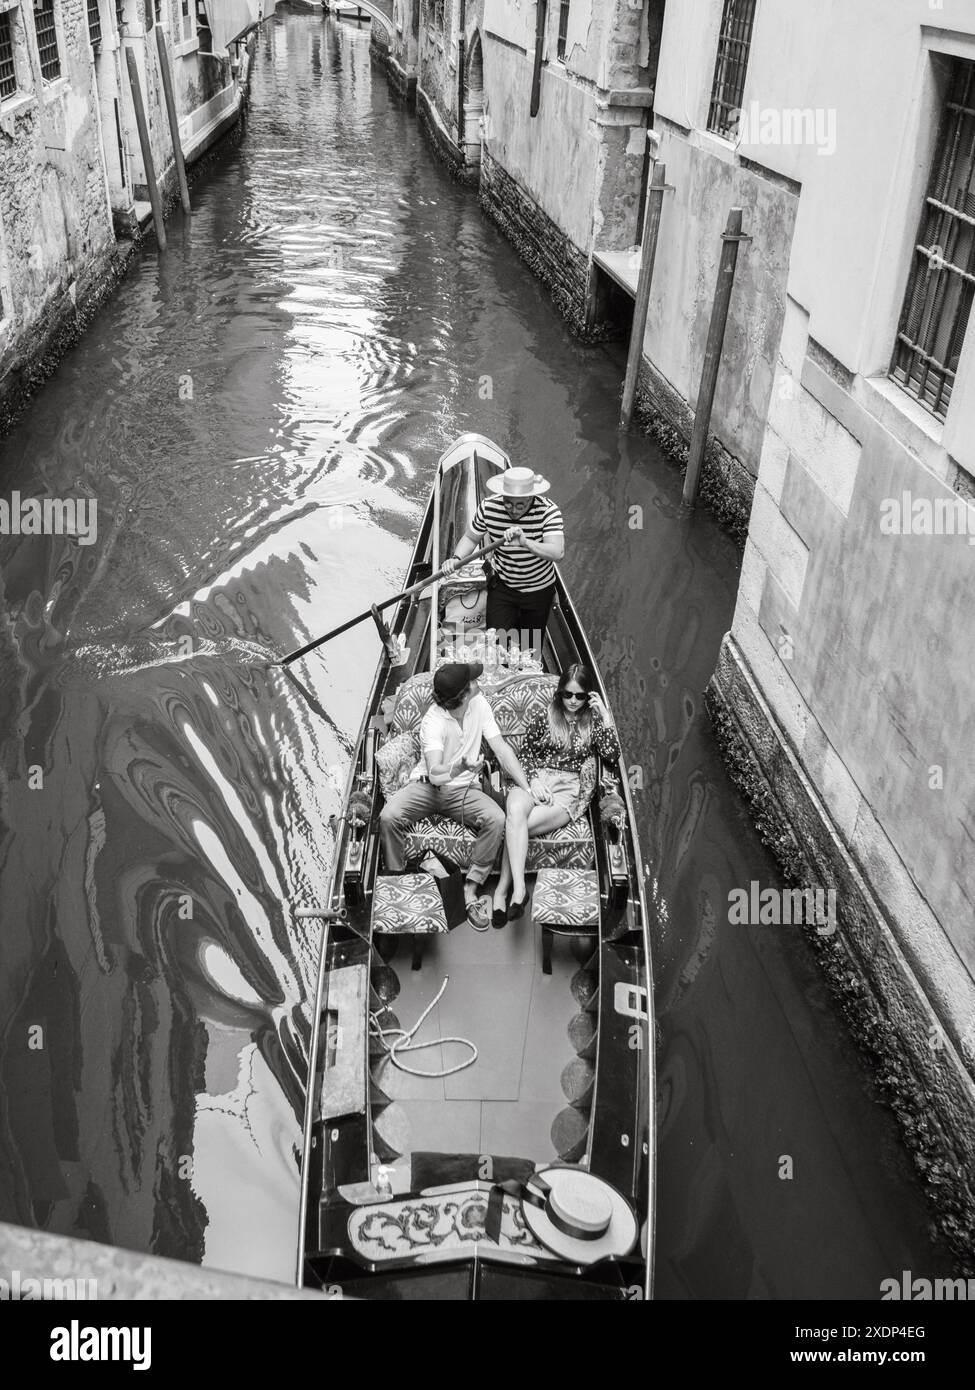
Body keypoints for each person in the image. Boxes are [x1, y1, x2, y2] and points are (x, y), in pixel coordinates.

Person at [379, 661, 534, 930]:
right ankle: (397, 882)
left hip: (465, 791)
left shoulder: (480, 704)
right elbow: (437, 774)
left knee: (497, 819)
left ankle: (470, 888)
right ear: (463, 694)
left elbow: (501, 749)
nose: (478, 682)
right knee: (388, 816)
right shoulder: (433, 721)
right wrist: (460, 766)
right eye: (473, 681)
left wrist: (528, 788)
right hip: (428, 787)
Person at [492, 664, 620, 924]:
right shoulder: (545, 715)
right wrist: (533, 780)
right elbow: (526, 753)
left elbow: (611, 755)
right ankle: (518, 889)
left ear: (588, 696)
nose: (573, 701)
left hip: (567, 790)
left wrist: (606, 717)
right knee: (514, 811)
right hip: (536, 780)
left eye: (580, 696)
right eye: (567, 694)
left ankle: (502, 890)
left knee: (516, 826)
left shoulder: (593, 722)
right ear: (560, 693)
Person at [441, 467, 564, 652]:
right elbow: (470, 538)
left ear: (531, 498)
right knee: (497, 644)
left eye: (520, 505)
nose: (513, 510)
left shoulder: (548, 511)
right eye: (508, 503)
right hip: (503, 586)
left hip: (539, 590)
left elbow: (557, 552)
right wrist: (456, 558)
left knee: (530, 647)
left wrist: (525, 542)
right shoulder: (489, 507)